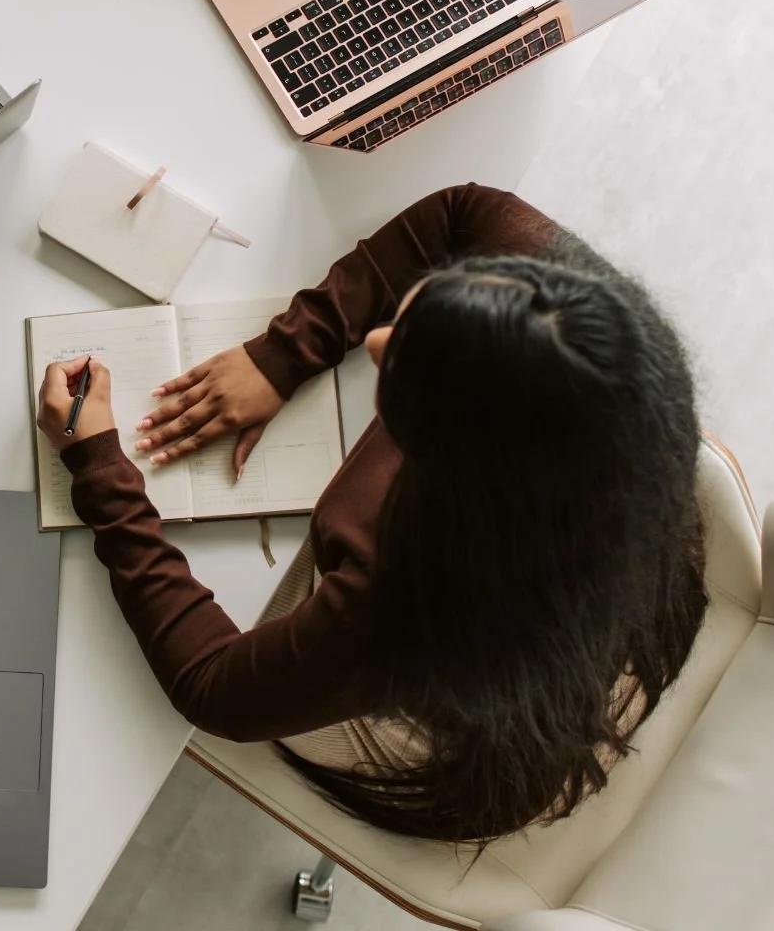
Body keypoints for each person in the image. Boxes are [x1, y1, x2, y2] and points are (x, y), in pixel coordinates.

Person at [35, 184, 706, 840]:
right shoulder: (569, 326)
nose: (379, 340)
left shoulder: (407, 596)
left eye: (404, 363)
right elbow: (461, 213)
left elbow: (213, 688)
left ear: (452, 468)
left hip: (489, 682)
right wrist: (286, 352)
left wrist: (97, 465)